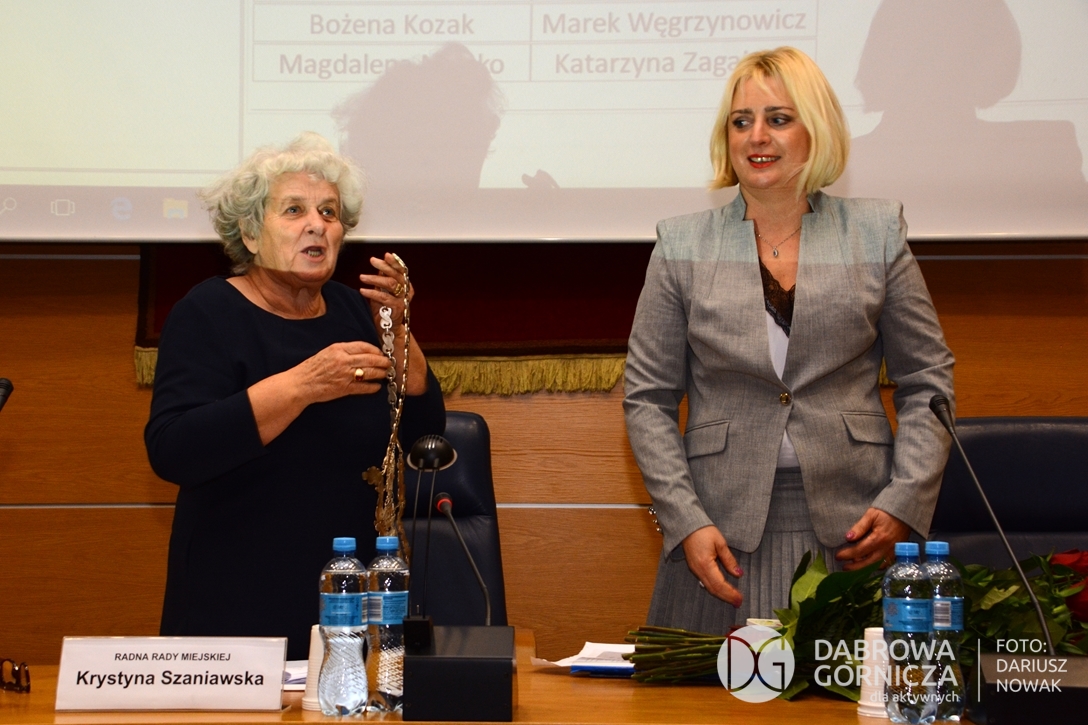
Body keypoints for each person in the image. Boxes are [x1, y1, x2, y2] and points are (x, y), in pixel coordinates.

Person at [623, 47, 955, 633]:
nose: (757, 136)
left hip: (856, 529)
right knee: (704, 694)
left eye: (778, 119)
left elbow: (927, 381)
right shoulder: (682, 244)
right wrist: (684, 519)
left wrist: (904, 500)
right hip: (717, 535)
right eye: (741, 121)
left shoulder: (875, 232)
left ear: (816, 129)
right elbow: (647, 398)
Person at [145, 132, 445, 659]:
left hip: (347, 596)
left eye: (329, 212)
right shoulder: (208, 312)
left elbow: (422, 434)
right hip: (236, 600)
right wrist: (303, 385)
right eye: (294, 210)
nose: (317, 224)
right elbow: (175, 449)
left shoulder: (353, 309)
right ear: (249, 233)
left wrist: (400, 334)